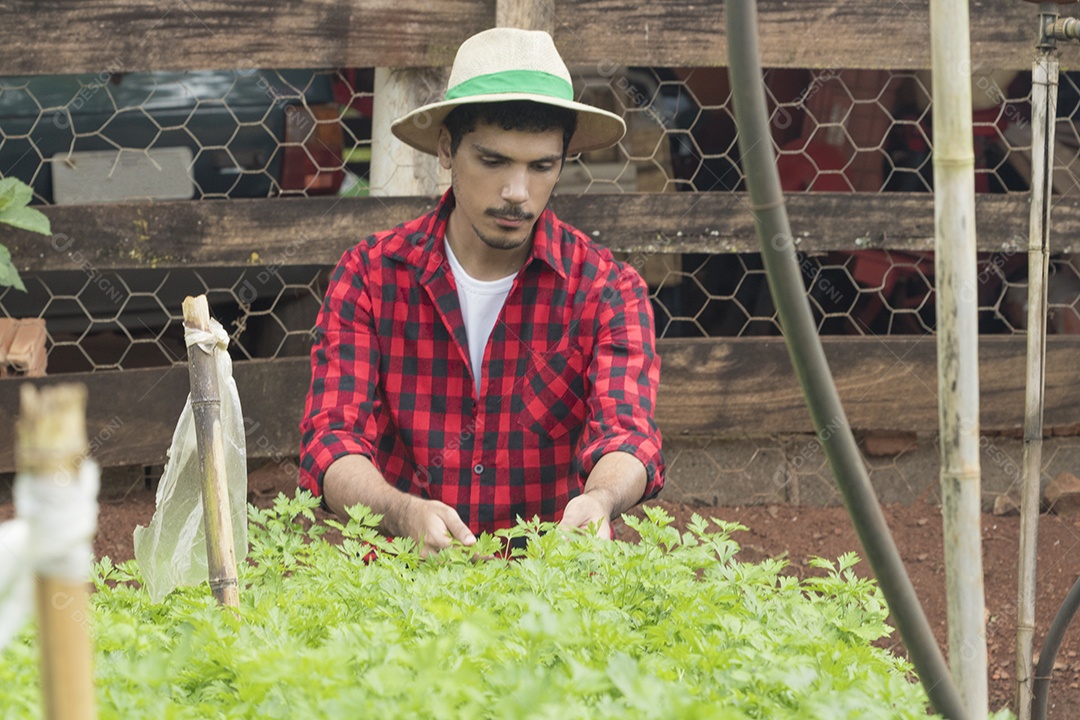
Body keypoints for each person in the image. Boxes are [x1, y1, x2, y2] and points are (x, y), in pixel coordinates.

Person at [298, 27, 664, 556]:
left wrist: (601, 499)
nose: (517, 193)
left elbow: (628, 435)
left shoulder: (608, 289)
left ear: (563, 161)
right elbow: (331, 440)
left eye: (541, 167)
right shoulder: (371, 278)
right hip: (403, 580)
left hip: (547, 581)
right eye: (493, 162)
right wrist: (401, 512)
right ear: (447, 149)